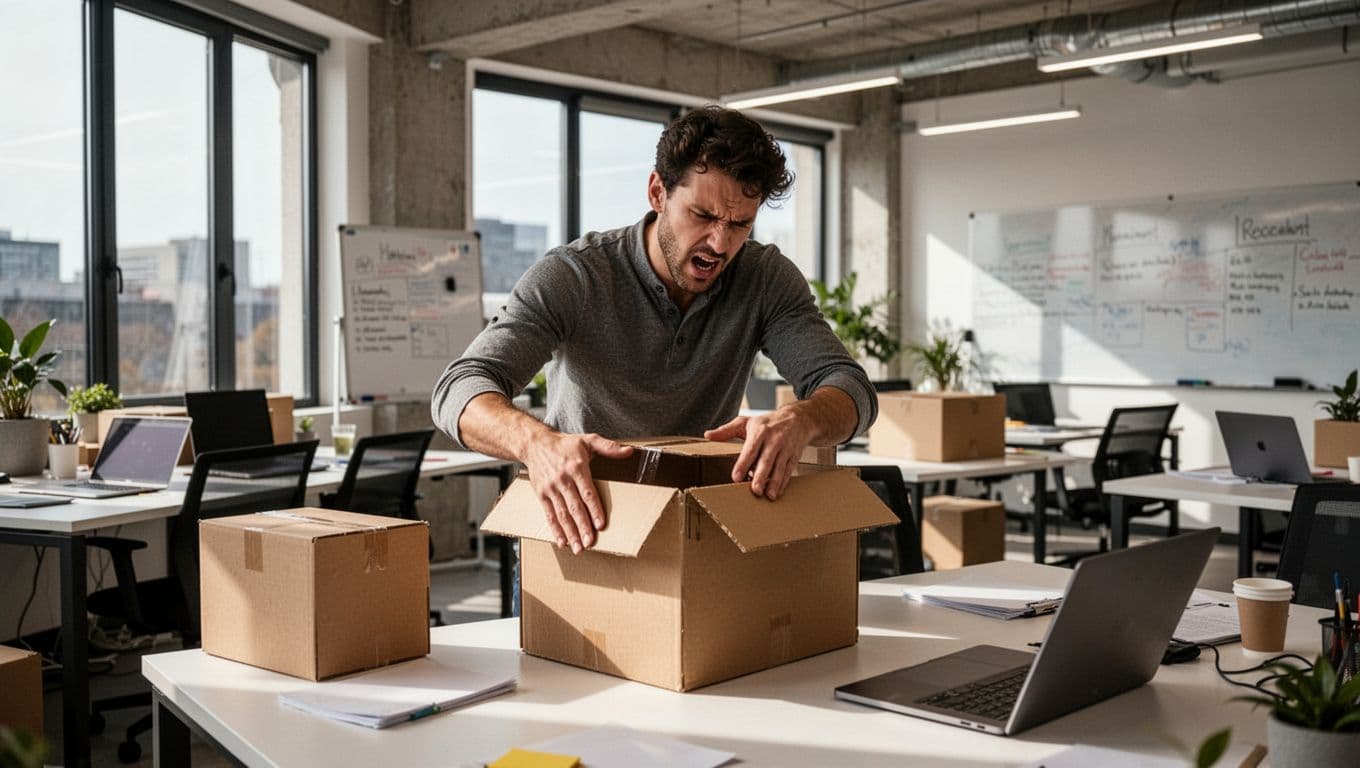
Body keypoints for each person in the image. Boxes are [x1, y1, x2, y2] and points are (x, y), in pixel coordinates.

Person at [432, 105, 876, 555]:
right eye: (702, 215)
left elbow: (850, 389)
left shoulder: (763, 279)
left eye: (740, 223)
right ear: (657, 192)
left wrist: (801, 419)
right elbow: (458, 389)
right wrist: (537, 443)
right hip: (583, 533)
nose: (720, 243)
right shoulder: (575, 276)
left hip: (701, 536)